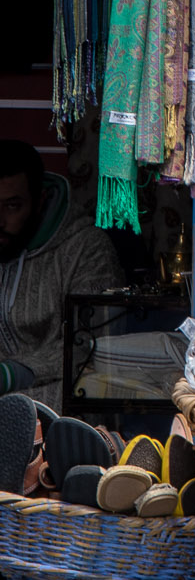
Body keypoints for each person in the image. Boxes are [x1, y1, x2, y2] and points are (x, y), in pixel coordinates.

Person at [0, 139, 121, 413]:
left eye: (12, 206)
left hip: (59, 407)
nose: (0, 220)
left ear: (40, 200)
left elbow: (94, 345)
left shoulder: (86, 249)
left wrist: (13, 374)